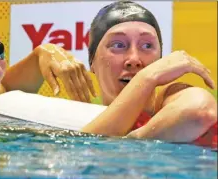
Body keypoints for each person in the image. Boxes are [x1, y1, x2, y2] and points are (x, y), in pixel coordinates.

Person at [79, 1, 217, 148]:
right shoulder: (78, 114)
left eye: (147, 45)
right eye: (118, 45)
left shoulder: (168, 99)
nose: (134, 60)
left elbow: (201, 111)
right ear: (92, 61)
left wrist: (147, 78)